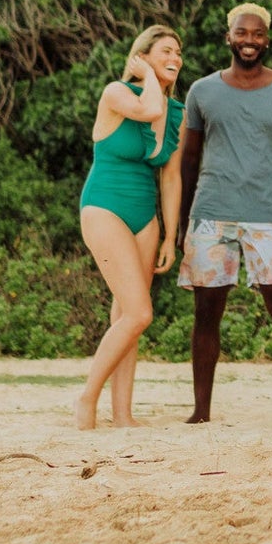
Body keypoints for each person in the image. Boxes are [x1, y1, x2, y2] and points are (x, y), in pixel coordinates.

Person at [175, 3, 272, 421]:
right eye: (242, 33)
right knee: (206, 313)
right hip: (211, 213)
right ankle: (201, 411)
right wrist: (183, 219)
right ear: (229, 37)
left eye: (257, 34)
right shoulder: (202, 91)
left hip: (268, 213)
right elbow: (189, 158)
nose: (249, 40)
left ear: (267, 40)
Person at [74, 24, 186, 430]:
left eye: (178, 53)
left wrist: (170, 235)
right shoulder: (116, 93)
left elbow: (171, 177)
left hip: (145, 217)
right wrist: (148, 77)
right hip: (104, 207)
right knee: (139, 313)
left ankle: (123, 414)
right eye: (166, 51)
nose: (175, 58)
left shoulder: (178, 113)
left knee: (126, 315)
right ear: (142, 56)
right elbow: (149, 110)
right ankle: (87, 398)